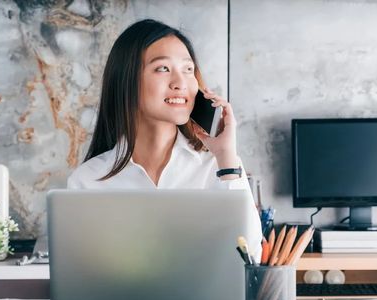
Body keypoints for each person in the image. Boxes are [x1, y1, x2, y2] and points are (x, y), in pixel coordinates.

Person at [67, 19, 262, 258]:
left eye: (188, 70)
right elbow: (84, 274)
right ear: (126, 81)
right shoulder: (88, 181)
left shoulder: (219, 167)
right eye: (163, 69)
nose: (180, 83)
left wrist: (226, 158)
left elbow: (251, 258)